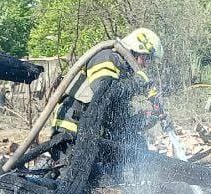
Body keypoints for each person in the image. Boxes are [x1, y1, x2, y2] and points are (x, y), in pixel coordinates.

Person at [47, 28, 164, 159]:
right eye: (147, 59)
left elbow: (116, 118)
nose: (147, 65)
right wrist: (137, 82)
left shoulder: (123, 70)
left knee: (136, 146)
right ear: (137, 50)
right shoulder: (107, 58)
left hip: (91, 135)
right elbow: (104, 94)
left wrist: (143, 119)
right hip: (71, 135)